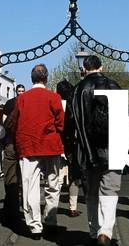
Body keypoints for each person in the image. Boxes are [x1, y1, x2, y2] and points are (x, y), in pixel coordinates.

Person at [70, 55, 122, 246]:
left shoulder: (77, 90)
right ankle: (105, 232)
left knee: (91, 191)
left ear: (84, 68)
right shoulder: (113, 85)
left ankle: (93, 231)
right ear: (102, 67)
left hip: (87, 149)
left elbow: (71, 123)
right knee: (110, 189)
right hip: (112, 147)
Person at [11, 64, 65, 239]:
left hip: (28, 146)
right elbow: (61, 123)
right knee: (53, 185)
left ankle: (35, 226)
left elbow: (15, 122)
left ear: (31, 78)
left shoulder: (22, 98)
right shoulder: (54, 97)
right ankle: (50, 221)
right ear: (46, 78)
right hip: (50, 145)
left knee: (30, 188)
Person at [55, 79, 83, 218]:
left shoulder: (55, 105)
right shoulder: (75, 105)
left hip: (58, 145)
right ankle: (73, 207)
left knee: (57, 178)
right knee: (74, 178)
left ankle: (53, 207)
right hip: (73, 145)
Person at [0, 84, 25, 227]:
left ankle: (11, 207)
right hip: (19, 143)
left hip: (10, 142)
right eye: (19, 91)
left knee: (11, 176)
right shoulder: (25, 102)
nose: (21, 93)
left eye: (22, 91)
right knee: (21, 177)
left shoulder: (10, 104)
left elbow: (4, 123)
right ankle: (16, 205)